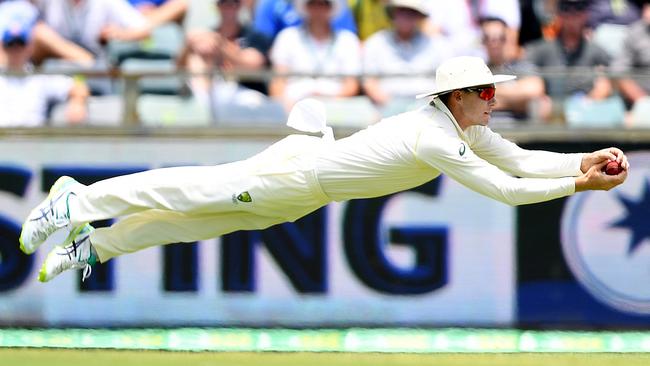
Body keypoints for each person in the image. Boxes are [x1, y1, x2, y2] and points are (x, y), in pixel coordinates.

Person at [21, 56, 629, 283]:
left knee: (199, 222)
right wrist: (583, 184)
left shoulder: (467, 128)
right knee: (193, 190)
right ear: (460, 95)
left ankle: (96, 247)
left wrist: (585, 158)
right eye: (487, 93)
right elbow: (506, 191)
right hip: (300, 173)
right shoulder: (434, 138)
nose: (495, 100)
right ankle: (76, 201)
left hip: (308, 191)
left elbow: (521, 162)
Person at [361, 0, 452, 116]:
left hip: (429, 109)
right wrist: (390, 107)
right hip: (385, 109)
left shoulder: (437, 44)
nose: (406, 16)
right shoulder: (376, 43)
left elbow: (446, 81)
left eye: (411, 12)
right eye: (401, 11)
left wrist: (432, 106)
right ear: (393, 13)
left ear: (419, 16)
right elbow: (369, 82)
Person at [269, 0, 362, 112]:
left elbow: (351, 85)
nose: (318, 9)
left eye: (323, 4)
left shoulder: (347, 40)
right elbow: (278, 81)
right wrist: (285, 107)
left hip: (335, 105)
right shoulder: (287, 37)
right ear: (306, 7)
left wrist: (329, 104)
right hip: (294, 103)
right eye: (313, 4)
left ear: (331, 8)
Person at [0, 16, 89, 126]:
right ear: (2, 47)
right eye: (10, 45)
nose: (15, 50)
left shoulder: (40, 77)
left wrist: (77, 102)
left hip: (32, 140)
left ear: (29, 47)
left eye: (20, 44)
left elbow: (78, 81)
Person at [480, 16, 551, 123]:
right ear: (483, 42)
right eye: (488, 38)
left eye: (500, 37)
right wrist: (518, 101)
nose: (494, 43)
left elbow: (535, 90)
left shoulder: (522, 67)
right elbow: (471, 103)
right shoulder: (477, 70)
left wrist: (488, 95)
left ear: (507, 38)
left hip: (519, 132)